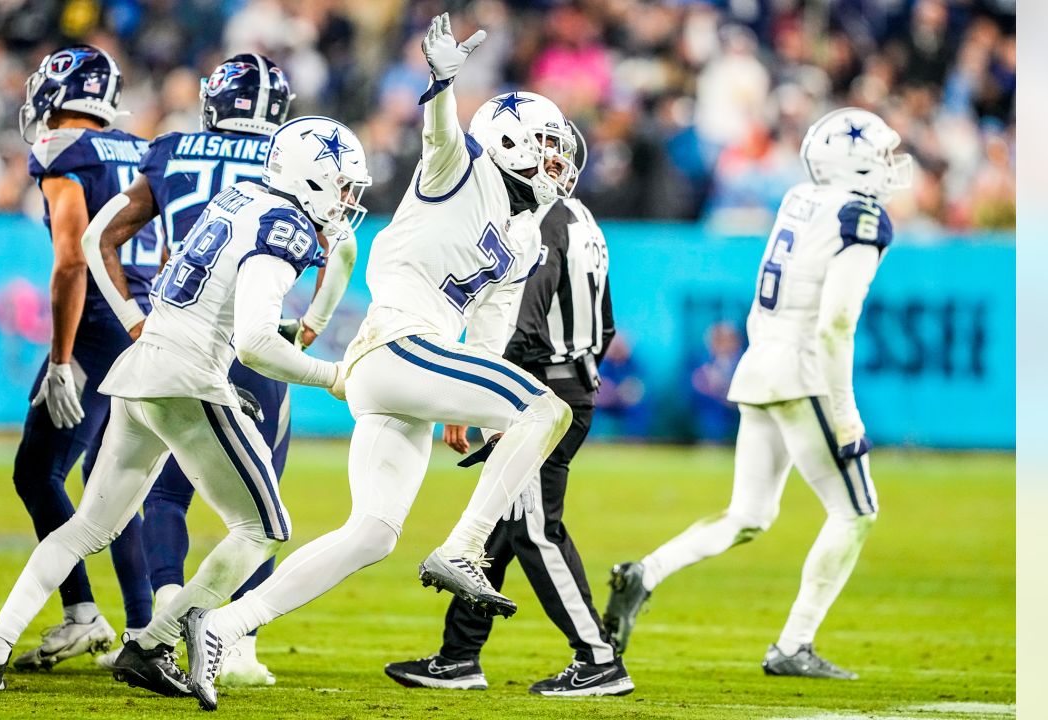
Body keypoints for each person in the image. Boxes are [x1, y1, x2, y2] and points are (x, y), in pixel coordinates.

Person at [176, 14, 578, 711]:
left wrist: (468, 413)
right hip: (398, 344)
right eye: (542, 143)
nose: (553, 158)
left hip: (410, 372)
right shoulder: (464, 168)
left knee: (372, 533)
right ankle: (464, 549)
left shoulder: (525, 238)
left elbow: (488, 336)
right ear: (506, 139)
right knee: (550, 408)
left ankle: (225, 625)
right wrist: (444, 82)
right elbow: (441, 134)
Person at [0, 115, 372, 695]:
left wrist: (302, 324)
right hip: (188, 381)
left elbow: (231, 306)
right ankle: (153, 645)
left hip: (144, 366)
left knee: (89, 526)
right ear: (313, 178)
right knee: (265, 529)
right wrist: (334, 376)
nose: (348, 201)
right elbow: (253, 342)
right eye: (344, 185)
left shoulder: (240, 196)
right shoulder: (285, 227)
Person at [604, 107, 911, 680]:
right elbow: (835, 324)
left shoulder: (801, 198)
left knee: (750, 514)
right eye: (881, 152)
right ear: (857, 160)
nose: (891, 164)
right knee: (857, 511)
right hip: (804, 368)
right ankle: (794, 644)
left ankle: (646, 572)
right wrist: (845, 412)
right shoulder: (860, 216)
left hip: (761, 360)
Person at [79, 53, 357, 686]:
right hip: (248, 346)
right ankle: (234, 643)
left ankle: (154, 626)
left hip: (175, 335)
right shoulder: (291, 162)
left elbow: (101, 237)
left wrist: (132, 317)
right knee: (261, 508)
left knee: (164, 497)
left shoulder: (174, 149)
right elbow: (340, 249)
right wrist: (311, 327)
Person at [383, 123, 634, 697]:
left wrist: (487, 398)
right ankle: (458, 656)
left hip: (537, 390)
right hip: (571, 380)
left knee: (534, 529)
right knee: (500, 525)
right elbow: (607, 322)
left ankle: (598, 658)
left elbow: (522, 320)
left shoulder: (537, 222)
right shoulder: (582, 219)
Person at [3, 44, 159, 672]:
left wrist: (62, 357)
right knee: (111, 481)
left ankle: (82, 615)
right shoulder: (138, 147)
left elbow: (71, 259)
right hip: (145, 320)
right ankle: (145, 625)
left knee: (37, 472)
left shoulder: (63, 149)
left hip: (96, 325)